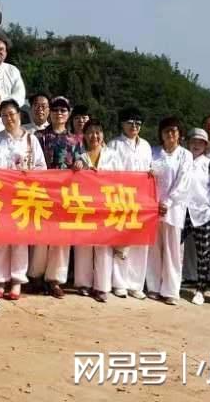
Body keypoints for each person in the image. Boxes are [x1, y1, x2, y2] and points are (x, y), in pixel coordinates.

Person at [0, 99, 46, 300]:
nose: (9, 118)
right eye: (4, 115)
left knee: (19, 239)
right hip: (1, 194)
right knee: (0, 238)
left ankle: (16, 280)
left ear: (19, 115)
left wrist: (29, 173)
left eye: (12, 114)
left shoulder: (31, 140)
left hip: (23, 194)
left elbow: (42, 167)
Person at [32, 96, 84, 298]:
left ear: (68, 113)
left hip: (65, 194)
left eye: (63, 110)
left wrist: (80, 164)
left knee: (61, 238)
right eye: (55, 110)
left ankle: (55, 279)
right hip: (43, 192)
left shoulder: (76, 140)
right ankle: (36, 276)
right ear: (50, 113)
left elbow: (81, 162)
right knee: (40, 236)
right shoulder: (39, 136)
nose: (59, 113)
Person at [146, 117, 193, 305]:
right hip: (152, 208)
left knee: (173, 250)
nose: (170, 134)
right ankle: (154, 287)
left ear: (179, 134)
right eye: (166, 131)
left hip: (173, 209)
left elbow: (184, 182)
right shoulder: (154, 152)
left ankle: (171, 290)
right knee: (154, 249)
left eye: (174, 130)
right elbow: (146, 176)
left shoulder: (185, 155)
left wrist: (168, 201)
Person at [108, 106, 153, 300]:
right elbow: (111, 172)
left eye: (137, 123)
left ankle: (136, 284)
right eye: (130, 122)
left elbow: (149, 169)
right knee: (120, 242)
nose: (134, 126)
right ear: (122, 124)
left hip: (142, 201)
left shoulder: (146, 146)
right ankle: (119, 283)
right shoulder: (114, 145)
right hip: (121, 197)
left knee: (139, 243)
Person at [73, 121, 117, 303]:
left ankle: (102, 287)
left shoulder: (113, 156)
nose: (94, 136)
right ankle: (83, 283)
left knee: (103, 247)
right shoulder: (80, 156)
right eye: (90, 133)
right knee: (83, 245)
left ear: (103, 135)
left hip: (106, 206)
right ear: (84, 136)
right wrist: (76, 169)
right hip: (84, 205)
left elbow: (122, 178)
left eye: (98, 132)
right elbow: (71, 180)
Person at [183, 127, 210, 306]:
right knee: (174, 250)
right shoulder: (182, 160)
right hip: (182, 212)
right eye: (193, 141)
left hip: (203, 213)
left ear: (205, 145)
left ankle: (200, 289)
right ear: (188, 143)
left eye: (200, 142)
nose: (196, 145)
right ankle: (171, 283)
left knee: (203, 254)